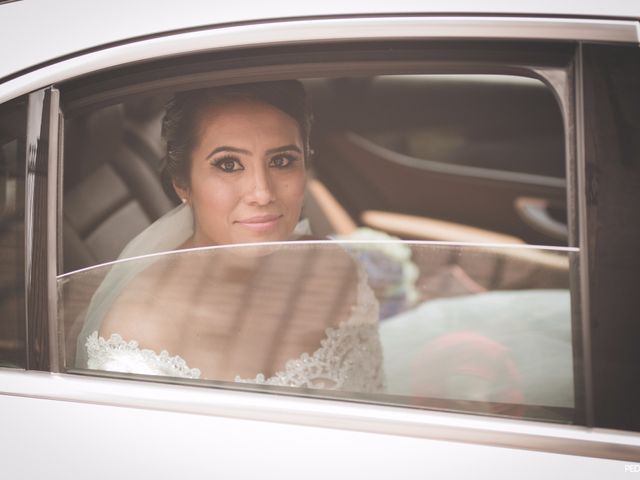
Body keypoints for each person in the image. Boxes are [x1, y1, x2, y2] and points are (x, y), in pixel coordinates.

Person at [79, 81, 384, 392]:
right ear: (182, 183)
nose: (262, 193)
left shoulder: (334, 267)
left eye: (281, 161)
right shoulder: (139, 336)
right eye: (228, 165)